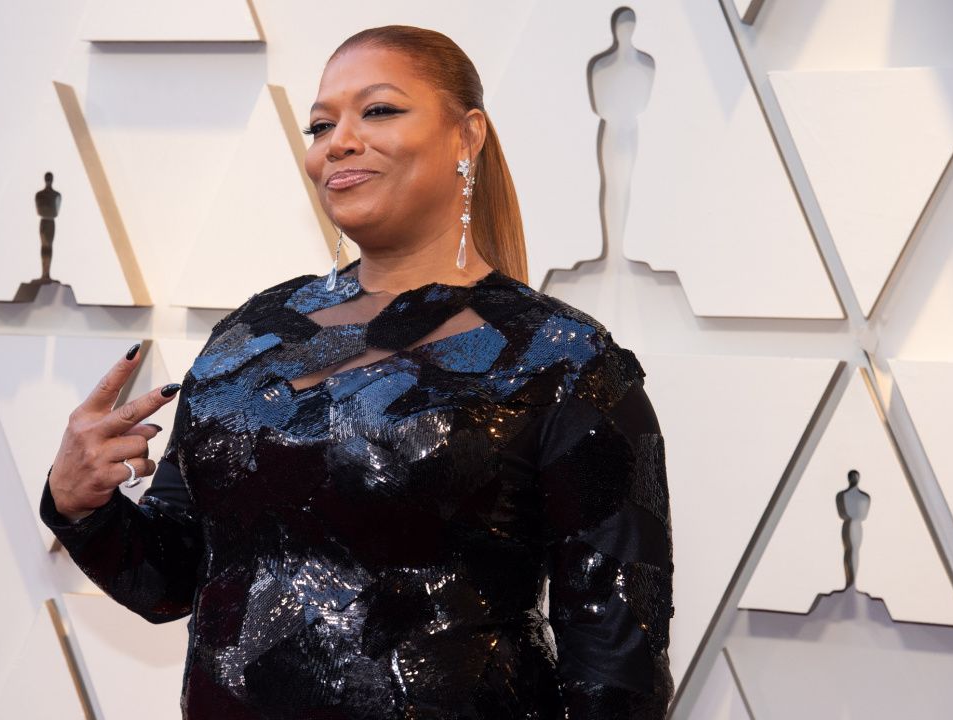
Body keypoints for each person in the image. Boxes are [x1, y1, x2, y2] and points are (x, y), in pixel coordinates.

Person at [40, 24, 674, 719]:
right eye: (319, 125)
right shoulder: (254, 336)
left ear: (468, 136)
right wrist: (80, 505)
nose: (336, 142)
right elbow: (170, 579)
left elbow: (619, 664)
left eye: (378, 110)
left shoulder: (565, 359)